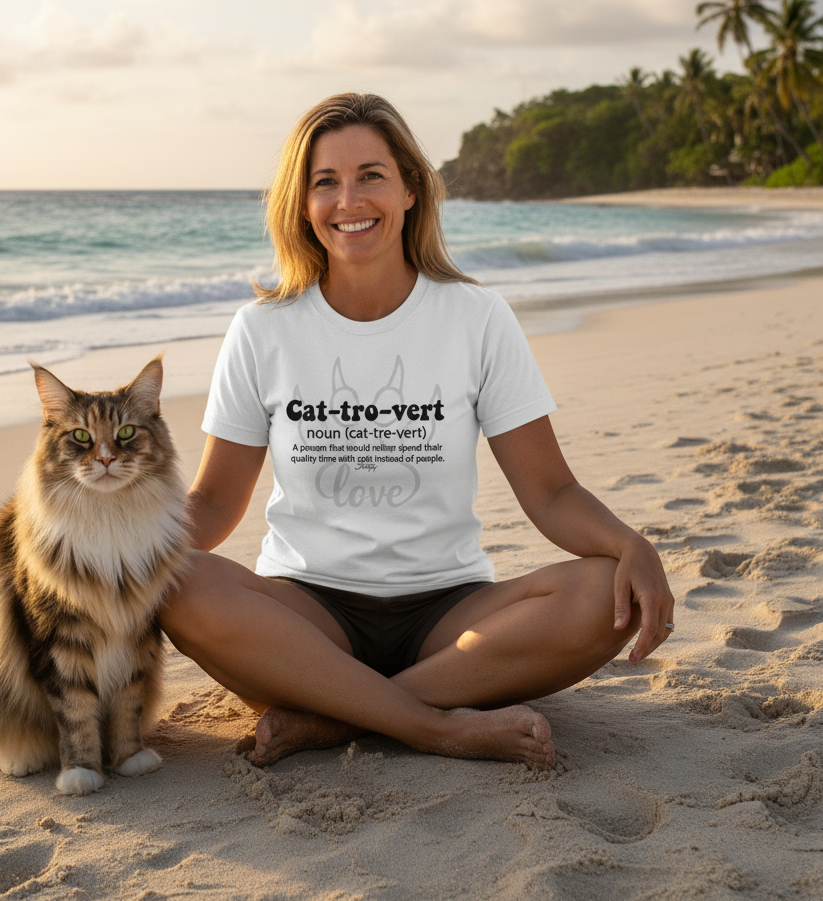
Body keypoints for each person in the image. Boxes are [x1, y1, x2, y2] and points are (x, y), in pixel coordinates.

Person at [159, 92, 674, 770]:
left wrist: (632, 544)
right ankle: (433, 726)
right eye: (325, 182)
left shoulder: (476, 318)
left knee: (604, 593)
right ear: (302, 204)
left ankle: (333, 716)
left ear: (410, 189)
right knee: (177, 580)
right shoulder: (263, 330)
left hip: (449, 617)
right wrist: (110, 557)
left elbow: (550, 493)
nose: (349, 200)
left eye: (370, 175)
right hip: (306, 619)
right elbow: (215, 503)